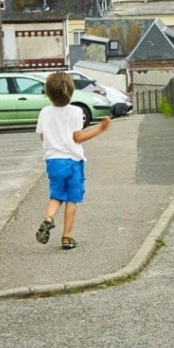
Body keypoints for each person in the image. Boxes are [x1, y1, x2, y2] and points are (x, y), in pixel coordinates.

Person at [35, 72, 111, 250]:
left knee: (56, 196)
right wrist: (100, 128)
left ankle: (48, 218)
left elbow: (42, 136)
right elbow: (78, 137)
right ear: (71, 91)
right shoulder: (76, 111)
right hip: (73, 162)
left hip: (53, 161)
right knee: (71, 199)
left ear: (47, 92)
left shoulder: (45, 112)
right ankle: (67, 237)